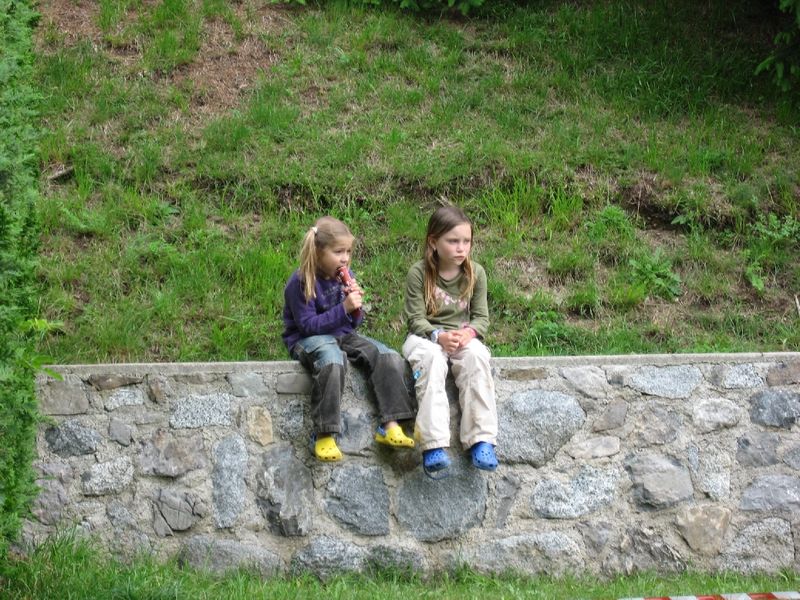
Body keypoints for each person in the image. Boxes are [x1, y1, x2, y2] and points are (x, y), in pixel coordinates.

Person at [282, 216, 416, 462]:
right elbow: (308, 326)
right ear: (318, 251)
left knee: (386, 355)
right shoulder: (301, 281)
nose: (345, 258)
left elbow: (353, 324)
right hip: (308, 339)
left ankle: (390, 424)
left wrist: (355, 309)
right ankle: (324, 434)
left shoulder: (343, 276)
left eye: (348, 252)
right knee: (333, 361)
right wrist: (343, 308)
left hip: (342, 334)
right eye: (338, 252)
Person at [402, 205, 498, 479]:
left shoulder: (475, 273)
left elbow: (481, 318)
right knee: (432, 360)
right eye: (453, 241)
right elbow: (415, 319)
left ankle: (482, 439)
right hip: (425, 337)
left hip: (460, 337)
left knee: (477, 357)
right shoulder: (419, 273)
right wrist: (438, 336)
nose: (461, 248)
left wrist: (469, 334)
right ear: (434, 242)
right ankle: (433, 445)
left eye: (466, 241)